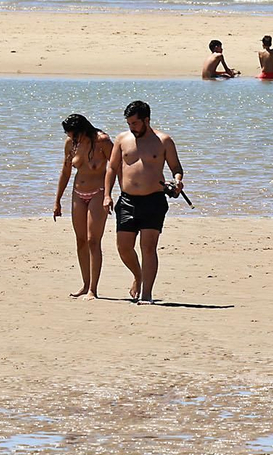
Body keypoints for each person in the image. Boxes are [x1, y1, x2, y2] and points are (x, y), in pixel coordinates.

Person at [104, 100, 184, 303]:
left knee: (148, 247)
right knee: (123, 246)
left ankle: (147, 294)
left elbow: (176, 168)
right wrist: (107, 195)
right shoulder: (122, 139)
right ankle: (138, 276)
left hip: (154, 201)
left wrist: (177, 182)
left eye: (135, 123)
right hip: (127, 200)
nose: (132, 127)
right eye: (129, 123)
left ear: (146, 120)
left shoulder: (163, 140)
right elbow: (112, 168)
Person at [53, 114, 113, 298]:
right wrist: (57, 200)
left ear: (83, 130)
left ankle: (94, 289)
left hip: (98, 193)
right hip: (78, 193)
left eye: (74, 135)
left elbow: (116, 167)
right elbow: (66, 171)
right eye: (70, 136)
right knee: (80, 240)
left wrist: (108, 195)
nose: (72, 139)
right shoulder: (71, 145)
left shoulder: (102, 141)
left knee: (93, 240)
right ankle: (85, 284)